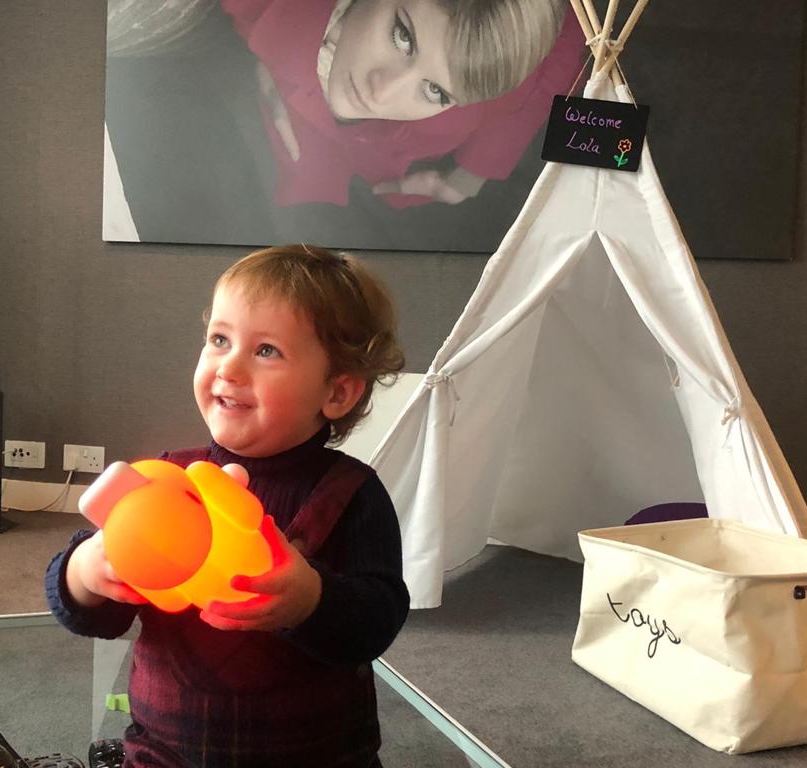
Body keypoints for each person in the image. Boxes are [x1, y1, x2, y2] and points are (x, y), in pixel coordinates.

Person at [45, 244, 410, 768]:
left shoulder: (352, 491)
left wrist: (311, 598)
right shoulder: (166, 479)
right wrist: (86, 572)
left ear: (337, 393)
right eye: (219, 339)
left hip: (315, 753)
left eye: (266, 351)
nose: (229, 367)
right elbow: (102, 618)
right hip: (165, 750)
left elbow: (378, 618)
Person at [221, 0, 586, 208]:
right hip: (288, 158)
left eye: (435, 92)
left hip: (408, 189)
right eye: (402, 36)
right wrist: (262, 59)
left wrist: (476, 170)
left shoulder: (491, 73)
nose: (382, 93)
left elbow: (572, 31)